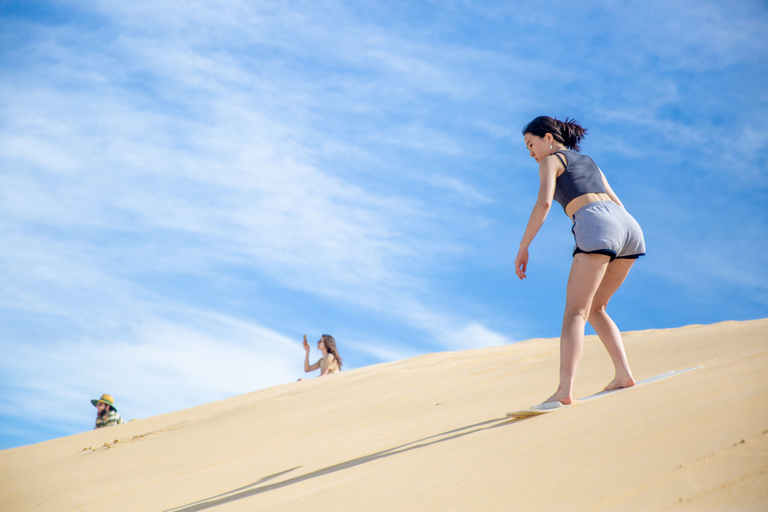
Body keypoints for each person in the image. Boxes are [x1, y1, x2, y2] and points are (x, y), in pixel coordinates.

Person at [515, 115, 645, 408]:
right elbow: (616, 202)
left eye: (531, 144)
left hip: (596, 223)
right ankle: (624, 374)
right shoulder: (589, 161)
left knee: (575, 311)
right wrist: (617, 232)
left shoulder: (551, 161)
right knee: (596, 307)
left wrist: (524, 246)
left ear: (549, 138)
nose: (531, 153)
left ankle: (564, 390)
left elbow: (544, 203)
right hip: (629, 227)